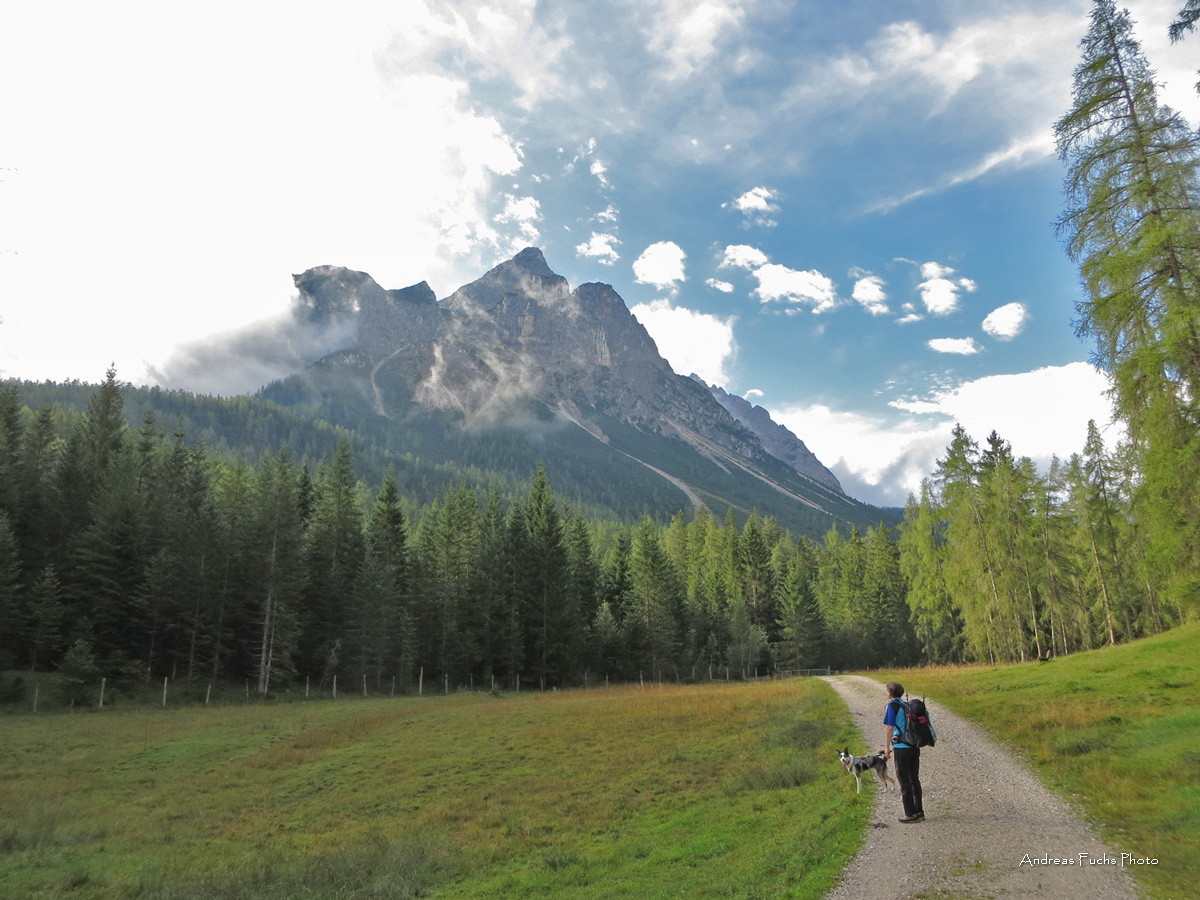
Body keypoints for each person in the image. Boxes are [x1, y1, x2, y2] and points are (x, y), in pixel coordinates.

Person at [883, 681, 924, 823]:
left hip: (901, 748)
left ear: (890, 693)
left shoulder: (891, 706)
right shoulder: (907, 705)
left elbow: (889, 728)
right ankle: (919, 812)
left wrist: (887, 748)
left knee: (904, 780)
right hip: (914, 745)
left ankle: (910, 814)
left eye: (887, 690)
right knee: (914, 778)